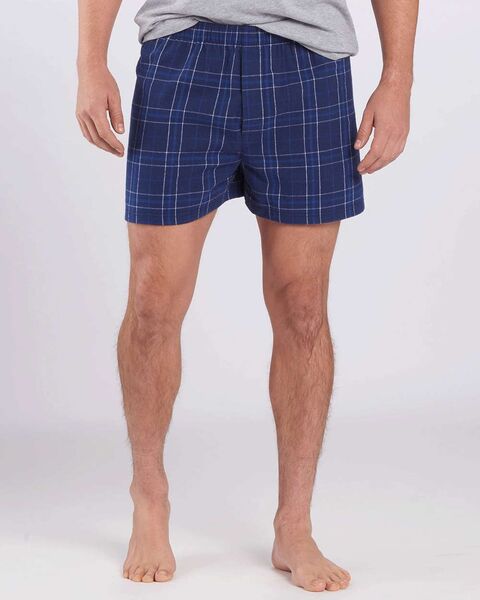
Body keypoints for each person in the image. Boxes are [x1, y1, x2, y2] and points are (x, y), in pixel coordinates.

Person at [76, 0, 418, 591]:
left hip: (308, 60)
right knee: (153, 305)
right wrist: (90, 62)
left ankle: (295, 525)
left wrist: (398, 79)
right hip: (182, 53)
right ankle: (149, 497)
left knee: (304, 311)